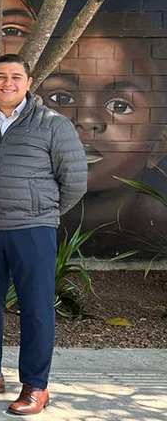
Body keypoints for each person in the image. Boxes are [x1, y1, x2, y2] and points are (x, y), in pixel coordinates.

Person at [0, 54, 87, 416]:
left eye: (16, 76)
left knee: (36, 308)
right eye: (0, 76)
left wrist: (41, 212)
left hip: (33, 230)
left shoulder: (53, 125)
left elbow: (74, 181)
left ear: (29, 82)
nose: (7, 83)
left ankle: (35, 385)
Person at [37, 14, 167, 257]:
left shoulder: (158, 231)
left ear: (159, 146)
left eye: (120, 107)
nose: (86, 120)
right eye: (61, 98)